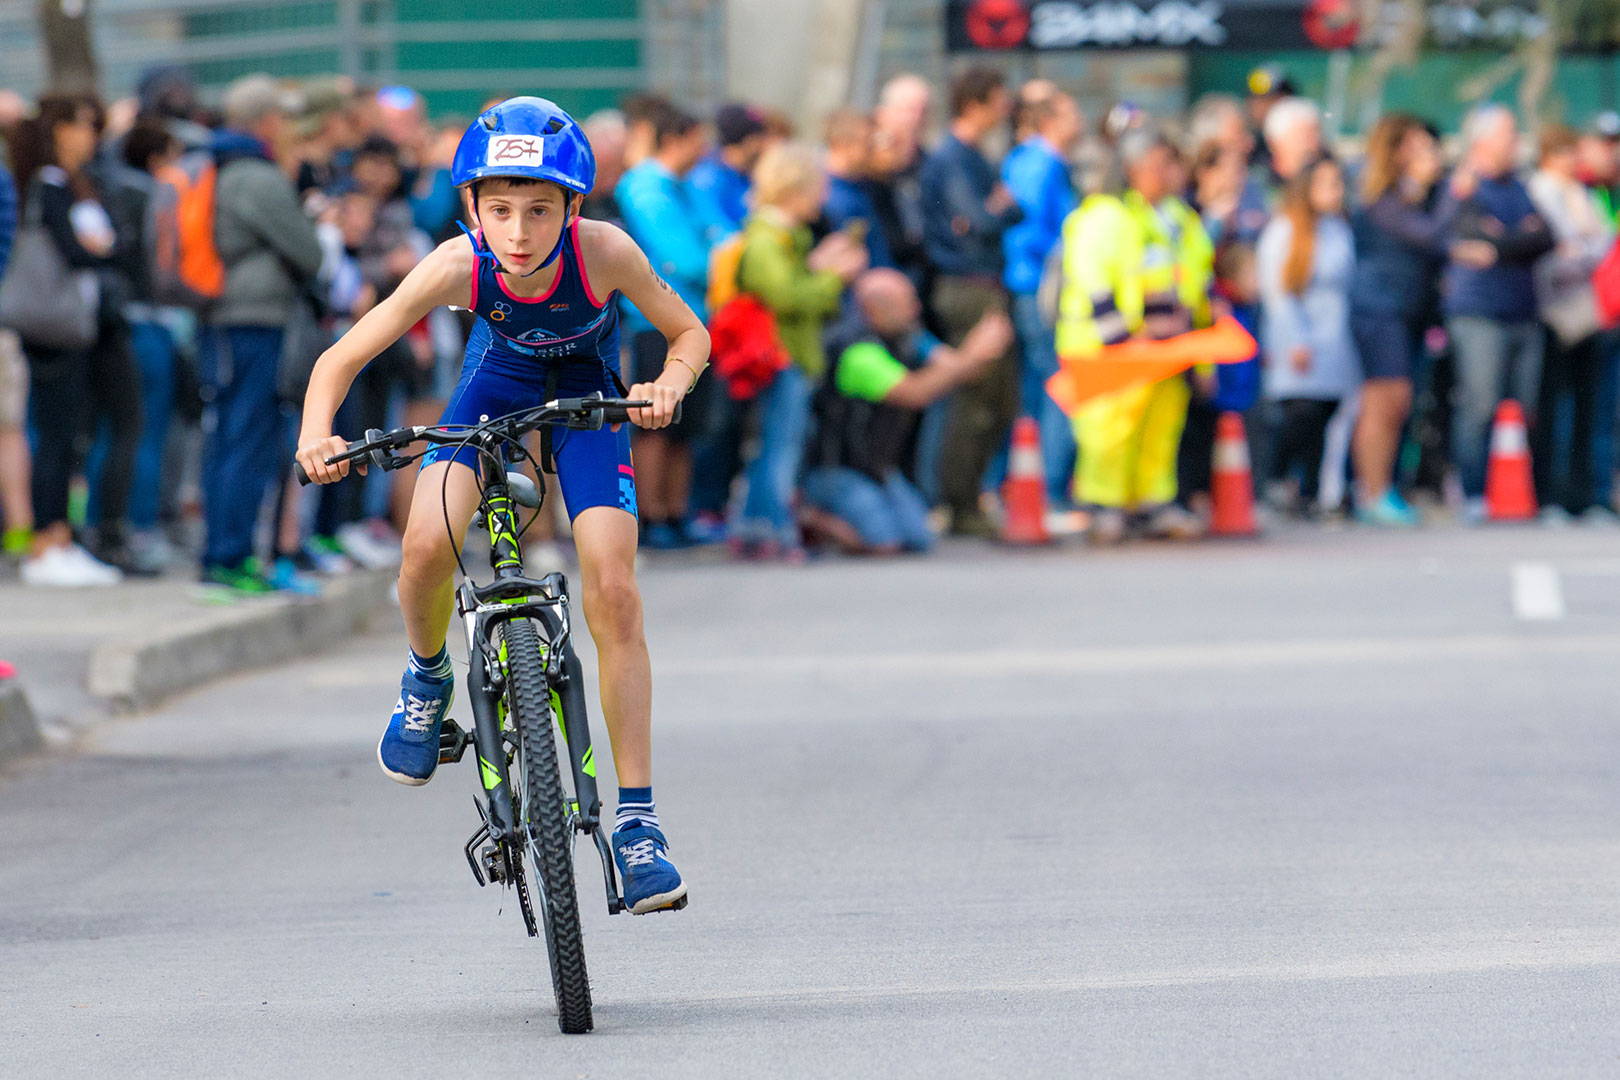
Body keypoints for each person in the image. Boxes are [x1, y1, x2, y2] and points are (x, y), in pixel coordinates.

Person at [296, 97, 708, 914]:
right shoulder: (456, 264)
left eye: (540, 211)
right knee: (424, 546)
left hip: (591, 401)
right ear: (472, 211)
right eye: (500, 210)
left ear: (574, 210)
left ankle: (638, 827)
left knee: (614, 590)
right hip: (494, 393)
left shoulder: (608, 252)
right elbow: (341, 358)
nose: (519, 231)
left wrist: (667, 382)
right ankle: (425, 679)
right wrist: (316, 435)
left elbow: (689, 332)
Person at [1056, 130, 1213, 543]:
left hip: (1164, 345)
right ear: (1131, 168)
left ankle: (1152, 503)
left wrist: (1198, 345)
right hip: (1108, 345)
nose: (1168, 173)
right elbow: (1093, 279)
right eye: (1158, 164)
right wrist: (1121, 340)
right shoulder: (1106, 214)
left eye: (1171, 163)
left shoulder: (1179, 218)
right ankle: (1102, 507)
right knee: (1108, 428)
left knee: (1159, 426)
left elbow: (1193, 279)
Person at [200, 75, 324, 591]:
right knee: (248, 437)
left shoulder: (221, 167)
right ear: (267, 120)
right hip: (254, 321)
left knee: (229, 435)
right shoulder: (257, 175)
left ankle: (224, 553)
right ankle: (230, 559)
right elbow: (309, 253)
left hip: (228, 320)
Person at [9, 93, 136, 586]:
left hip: (72, 326)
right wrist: (105, 251)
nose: (89, 135)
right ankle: (46, 540)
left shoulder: (78, 183)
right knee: (55, 436)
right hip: (51, 328)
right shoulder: (50, 183)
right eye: (81, 125)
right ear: (58, 129)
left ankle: (60, 536)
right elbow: (73, 252)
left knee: (66, 435)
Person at [803, 269, 1011, 553]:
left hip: (877, 469)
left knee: (919, 539)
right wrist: (972, 353)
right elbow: (914, 393)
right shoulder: (858, 352)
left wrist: (984, 348)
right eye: (906, 304)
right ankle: (809, 516)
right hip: (838, 470)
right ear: (874, 309)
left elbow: (957, 369)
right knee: (883, 543)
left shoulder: (908, 336)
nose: (916, 309)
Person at [732, 141, 867, 558]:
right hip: (780, 359)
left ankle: (754, 529)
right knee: (780, 449)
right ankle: (775, 530)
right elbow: (787, 297)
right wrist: (833, 278)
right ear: (794, 189)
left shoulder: (789, 238)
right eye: (818, 187)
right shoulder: (768, 240)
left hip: (793, 357)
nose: (824, 197)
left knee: (778, 446)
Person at [920, 66, 1022, 538]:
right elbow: (979, 219)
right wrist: (997, 207)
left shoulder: (975, 156)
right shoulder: (953, 158)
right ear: (977, 103)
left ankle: (970, 498)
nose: (1005, 110)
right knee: (974, 397)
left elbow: (1007, 210)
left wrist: (1001, 208)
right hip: (966, 287)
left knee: (999, 400)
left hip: (986, 283)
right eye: (999, 100)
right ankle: (958, 504)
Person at [1444, 105, 1554, 523]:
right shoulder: (1464, 187)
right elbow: (1468, 237)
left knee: (1527, 407)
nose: (1517, 142)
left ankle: (1523, 494)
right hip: (1479, 312)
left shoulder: (1520, 187)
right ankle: (1471, 491)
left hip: (1522, 310)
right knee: (1479, 404)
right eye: (1510, 134)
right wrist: (1516, 239)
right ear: (1483, 141)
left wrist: (1501, 245)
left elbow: (1544, 236)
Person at [1348, 114, 1457, 527]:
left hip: (1407, 310)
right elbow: (1431, 235)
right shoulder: (1381, 198)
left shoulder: (1418, 196)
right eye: (1416, 147)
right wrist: (1454, 193)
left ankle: (1383, 485)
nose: (1428, 155)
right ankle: (1371, 491)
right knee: (1384, 400)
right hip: (1378, 309)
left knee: (1400, 403)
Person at [615, 104, 713, 548]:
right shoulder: (645, 187)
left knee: (686, 426)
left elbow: (724, 235)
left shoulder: (683, 185)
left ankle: (675, 512)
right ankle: (650, 515)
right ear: (676, 138)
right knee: (655, 420)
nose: (705, 148)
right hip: (656, 321)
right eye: (698, 138)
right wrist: (722, 259)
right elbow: (688, 256)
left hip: (698, 320)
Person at [1258, 156, 1360, 516]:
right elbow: (1279, 292)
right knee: (1301, 413)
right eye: (1326, 183)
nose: (1336, 191)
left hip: (1336, 333)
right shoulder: (1285, 231)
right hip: (1300, 334)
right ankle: (1277, 481)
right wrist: (1296, 339)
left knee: (1327, 414)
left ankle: (1312, 491)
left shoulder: (1338, 228)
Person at [1527, 124, 1617, 521]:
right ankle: (1553, 495)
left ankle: (1588, 495)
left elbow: (1600, 243)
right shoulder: (1539, 190)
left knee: (1590, 407)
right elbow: (1552, 248)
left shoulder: (1585, 192)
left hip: (1588, 310)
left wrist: (1580, 249)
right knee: (1555, 408)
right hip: (1552, 311)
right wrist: (1580, 249)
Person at [1001, 89, 1082, 511]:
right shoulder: (1041, 163)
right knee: (1057, 382)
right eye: (1070, 112)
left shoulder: (1033, 161)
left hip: (1032, 284)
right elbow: (1030, 230)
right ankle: (1047, 487)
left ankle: (1027, 482)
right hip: (1039, 287)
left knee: (1035, 386)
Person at [821, 109, 893, 269]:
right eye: (867, 143)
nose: (873, 150)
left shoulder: (864, 185)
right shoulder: (826, 195)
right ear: (843, 144)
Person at [688, 103, 767, 235]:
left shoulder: (745, 174)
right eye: (761, 137)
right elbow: (718, 232)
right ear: (750, 141)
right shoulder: (707, 180)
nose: (765, 144)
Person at [1258, 97, 1322, 201]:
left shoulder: (1328, 183)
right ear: (1275, 142)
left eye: (1317, 134)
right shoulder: (1257, 184)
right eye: (1305, 136)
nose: (1315, 143)